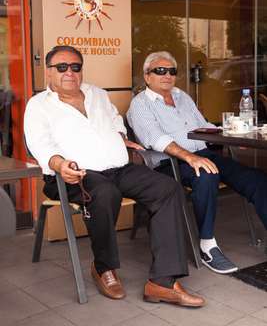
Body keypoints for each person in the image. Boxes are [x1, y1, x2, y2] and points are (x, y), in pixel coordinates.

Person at [24, 45, 205, 307]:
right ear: (48, 72)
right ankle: (103, 267)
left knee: (168, 189)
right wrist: (59, 164)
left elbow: (115, 120)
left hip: (119, 168)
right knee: (104, 193)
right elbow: (41, 144)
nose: (70, 72)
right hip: (74, 174)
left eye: (75, 67)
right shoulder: (38, 105)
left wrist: (122, 138)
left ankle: (162, 282)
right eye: (62, 67)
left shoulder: (96, 93)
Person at [127, 51, 267, 274]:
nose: (167, 75)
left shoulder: (182, 96)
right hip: (169, 163)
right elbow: (155, 139)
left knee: (257, 179)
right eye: (159, 71)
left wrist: (232, 135)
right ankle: (207, 244)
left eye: (171, 71)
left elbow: (204, 128)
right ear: (147, 76)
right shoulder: (140, 104)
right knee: (206, 175)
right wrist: (191, 158)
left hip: (202, 155)